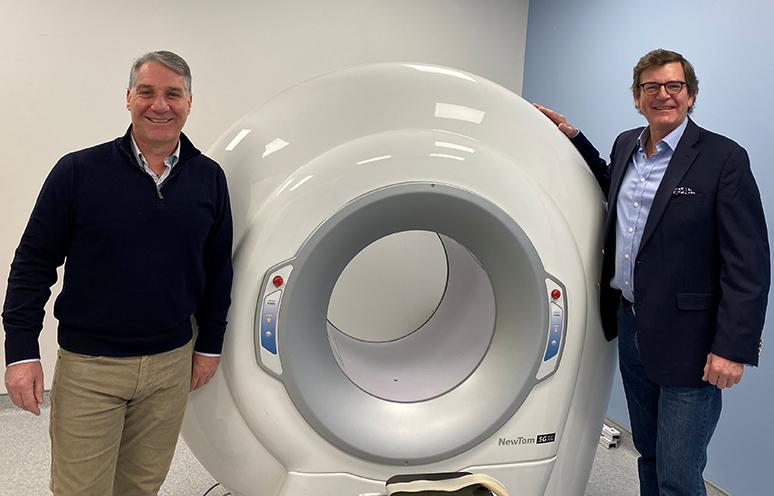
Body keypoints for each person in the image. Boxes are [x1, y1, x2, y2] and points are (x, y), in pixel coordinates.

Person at [536, 49, 769, 495]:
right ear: (637, 98)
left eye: (674, 86)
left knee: (679, 473)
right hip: (631, 322)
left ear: (691, 95)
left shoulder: (723, 159)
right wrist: (574, 138)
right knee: (649, 453)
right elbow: (615, 190)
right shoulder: (627, 143)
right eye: (651, 88)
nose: (663, 95)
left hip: (692, 340)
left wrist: (732, 348)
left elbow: (749, 262)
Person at [2, 50, 233, 495]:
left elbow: (218, 271)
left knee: (141, 488)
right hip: (92, 369)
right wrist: (21, 351)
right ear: (128, 98)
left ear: (189, 103)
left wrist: (209, 344)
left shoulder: (209, 179)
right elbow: (32, 264)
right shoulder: (78, 172)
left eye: (173, 94)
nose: (159, 105)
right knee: (80, 490)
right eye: (146, 92)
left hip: (170, 367)